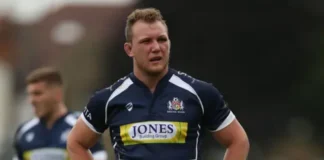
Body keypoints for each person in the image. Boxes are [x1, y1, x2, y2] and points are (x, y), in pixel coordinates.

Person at [67, 8, 249, 160]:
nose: (156, 47)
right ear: (129, 49)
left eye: (161, 39)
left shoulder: (200, 93)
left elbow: (238, 141)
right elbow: (75, 143)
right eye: (146, 41)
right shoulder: (108, 99)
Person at [13, 67, 108, 160]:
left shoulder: (83, 125)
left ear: (58, 94)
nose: (32, 100)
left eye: (37, 93)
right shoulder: (24, 131)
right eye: (30, 94)